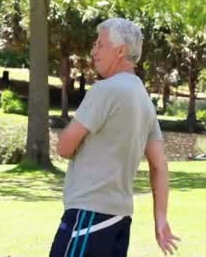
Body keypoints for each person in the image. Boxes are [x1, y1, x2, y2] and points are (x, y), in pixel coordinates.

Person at [49, 18, 180, 256]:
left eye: (100, 44)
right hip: (119, 220)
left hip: (89, 216)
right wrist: (160, 219)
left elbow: (65, 147)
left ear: (120, 51)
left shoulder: (105, 90)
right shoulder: (144, 99)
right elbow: (159, 165)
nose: (93, 51)